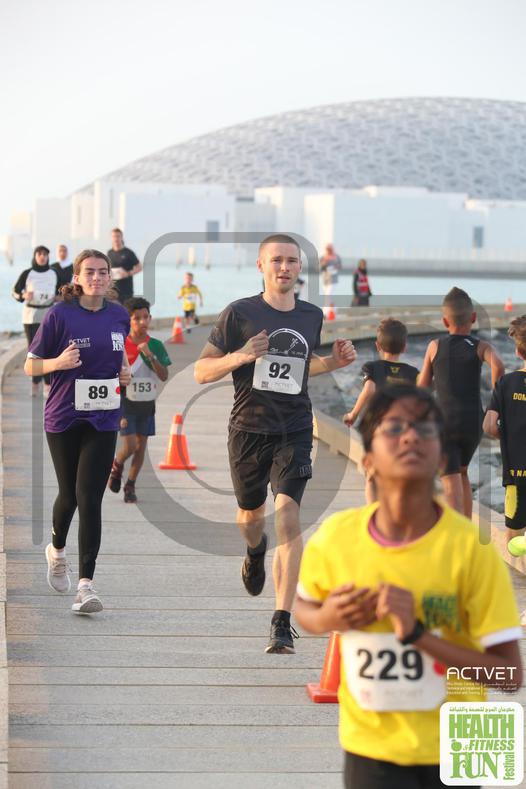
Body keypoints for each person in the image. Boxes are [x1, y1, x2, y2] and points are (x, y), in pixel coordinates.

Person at [296, 384, 522, 789]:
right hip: (372, 747)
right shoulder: (335, 539)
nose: (411, 437)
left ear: (441, 458)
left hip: (462, 743)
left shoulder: (473, 552)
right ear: (367, 459)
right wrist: (329, 616)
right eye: (394, 427)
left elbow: (508, 675)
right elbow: (305, 608)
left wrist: (418, 635)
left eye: (425, 428)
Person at [194, 234, 357, 654]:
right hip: (248, 430)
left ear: (300, 268)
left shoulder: (310, 315)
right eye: (277, 260)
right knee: (251, 517)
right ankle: (254, 551)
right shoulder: (239, 313)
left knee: (288, 517)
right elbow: (201, 371)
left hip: (295, 429)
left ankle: (281, 622)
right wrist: (241, 355)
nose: (284, 267)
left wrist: (334, 362)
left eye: (292, 261)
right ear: (261, 266)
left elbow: (300, 367)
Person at [23, 249, 131, 614]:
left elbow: (120, 353)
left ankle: (86, 586)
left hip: (104, 418)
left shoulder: (119, 314)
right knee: (68, 496)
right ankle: (56, 551)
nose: (97, 277)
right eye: (90, 272)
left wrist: (125, 372)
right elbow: (31, 366)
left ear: (110, 277)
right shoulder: (60, 314)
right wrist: (59, 362)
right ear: (77, 277)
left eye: (102, 272)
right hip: (64, 418)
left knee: (90, 498)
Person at [419, 287, 504, 517]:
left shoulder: (435, 346)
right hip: (474, 421)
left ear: (445, 321)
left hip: (446, 421)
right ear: (473, 318)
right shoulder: (480, 346)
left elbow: (423, 386)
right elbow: (498, 365)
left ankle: (456, 529)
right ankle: (466, 527)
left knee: (449, 478)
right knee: (462, 471)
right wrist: (496, 402)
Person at [343, 318, 419, 504]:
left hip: (379, 428)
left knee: (372, 474)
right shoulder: (413, 372)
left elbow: (369, 390)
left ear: (377, 345)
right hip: (404, 430)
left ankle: (374, 510)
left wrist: (353, 415)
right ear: (404, 347)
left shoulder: (372, 367)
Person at [108, 297, 171, 503]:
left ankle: (130, 485)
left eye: (146, 317)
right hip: (125, 402)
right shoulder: (120, 344)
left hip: (147, 403)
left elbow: (163, 375)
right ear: (128, 320)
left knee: (141, 447)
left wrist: (150, 355)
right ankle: (117, 466)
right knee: (130, 445)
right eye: (137, 318)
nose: (143, 322)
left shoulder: (156, 345)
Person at [483, 315, 526, 554]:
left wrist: (509, 436)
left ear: (518, 352)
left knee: (514, 540)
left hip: (516, 475)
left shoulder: (506, 383)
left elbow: (489, 426)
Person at [12, 245, 61, 397]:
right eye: (39, 254)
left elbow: (62, 291)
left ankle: (47, 384)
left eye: (45, 254)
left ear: (48, 257)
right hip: (31, 316)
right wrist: (23, 295)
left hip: (49, 314)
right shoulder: (27, 273)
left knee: (49, 349)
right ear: (35, 256)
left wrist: (58, 297)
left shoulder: (54, 273)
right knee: (34, 351)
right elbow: (15, 292)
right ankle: (35, 383)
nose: (42, 257)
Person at [107, 228, 142, 304]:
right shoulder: (109, 252)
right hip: (112, 290)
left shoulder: (128, 252)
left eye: (118, 236)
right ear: (111, 238)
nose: (116, 239)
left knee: (126, 310)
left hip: (126, 290)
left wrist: (128, 273)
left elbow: (139, 267)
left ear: (121, 237)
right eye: (114, 236)